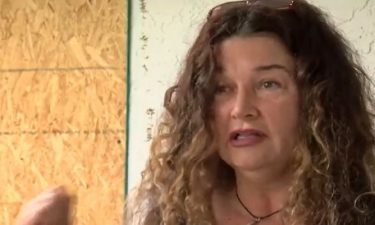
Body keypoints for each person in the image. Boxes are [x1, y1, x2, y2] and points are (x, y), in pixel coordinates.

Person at [16, 0, 375, 225]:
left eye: (269, 84)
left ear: (317, 100)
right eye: (221, 88)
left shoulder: (362, 209)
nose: (241, 109)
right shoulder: (174, 215)